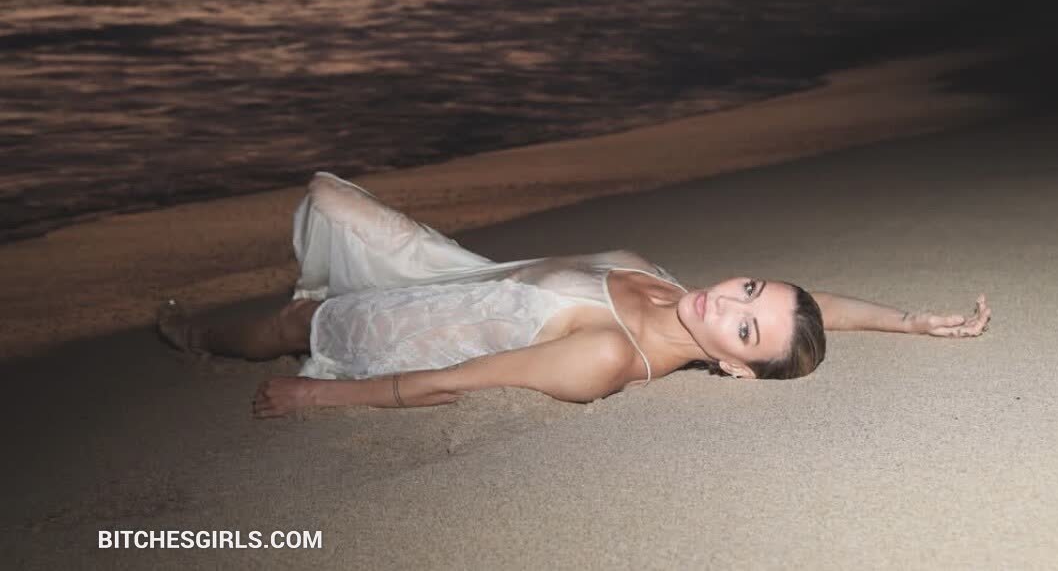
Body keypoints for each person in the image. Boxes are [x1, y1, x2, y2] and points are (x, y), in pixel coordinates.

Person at [157, 172, 992, 418]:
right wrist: (911, 321)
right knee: (329, 199)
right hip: (461, 270)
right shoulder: (675, 291)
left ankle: (200, 338)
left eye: (743, 328)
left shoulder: (603, 358)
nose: (726, 303)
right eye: (747, 288)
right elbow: (812, 309)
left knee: (299, 323)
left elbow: (454, 382)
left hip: (428, 324)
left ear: (736, 369)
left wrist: (319, 397)